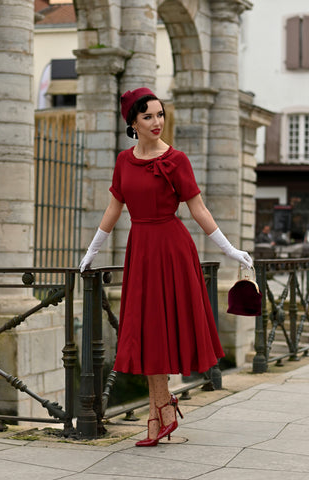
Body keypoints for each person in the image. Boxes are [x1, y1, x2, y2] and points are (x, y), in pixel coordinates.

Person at [79, 87, 253, 447]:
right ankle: (162, 410)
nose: (157, 122)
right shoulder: (123, 162)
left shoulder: (177, 159)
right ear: (133, 122)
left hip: (172, 250)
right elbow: (113, 210)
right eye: (148, 116)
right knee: (145, 332)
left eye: (160, 114)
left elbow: (198, 209)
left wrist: (230, 249)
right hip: (140, 250)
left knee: (162, 329)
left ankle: (159, 415)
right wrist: (91, 252)